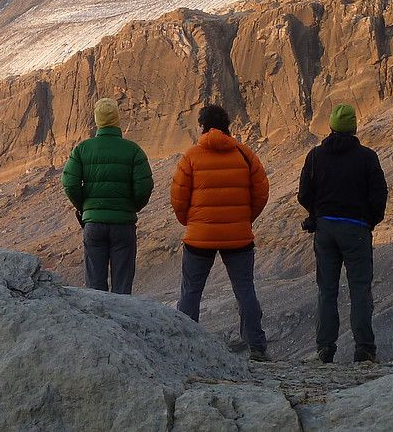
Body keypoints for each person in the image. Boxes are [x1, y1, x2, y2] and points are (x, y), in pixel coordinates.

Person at [170, 104, 270, 360]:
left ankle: (184, 348)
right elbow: (261, 192)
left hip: (199, 237)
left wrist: (191, 222)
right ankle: (257, 347)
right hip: (239, 237)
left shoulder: (191, 156)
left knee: (191, 291)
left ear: (203, 126)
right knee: (245, 289)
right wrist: (244, 219)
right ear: (227, 125)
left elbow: (178, 198)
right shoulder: (245, 154)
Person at [299, 103, 388, 364]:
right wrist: (370, 221)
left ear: (331, 127)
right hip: (356, 230)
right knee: (360, 289)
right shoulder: (367, 157)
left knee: (327, 290)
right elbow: (379, 194)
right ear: (354, 128)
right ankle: (364, 350)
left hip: (325, 230)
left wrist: (318, 214)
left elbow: (304, 193)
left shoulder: (315, 156)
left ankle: (325, 349)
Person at [61, 97, 153, 294]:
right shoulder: (133, 151)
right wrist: (131, 207)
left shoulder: (82, 150)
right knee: (122, 287)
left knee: (95, 289)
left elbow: (69, 183)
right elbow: (144, 186)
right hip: (123, 225)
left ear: (97, 120)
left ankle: (98, 324)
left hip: (93, 224)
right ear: (117, 120)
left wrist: (85, 206)